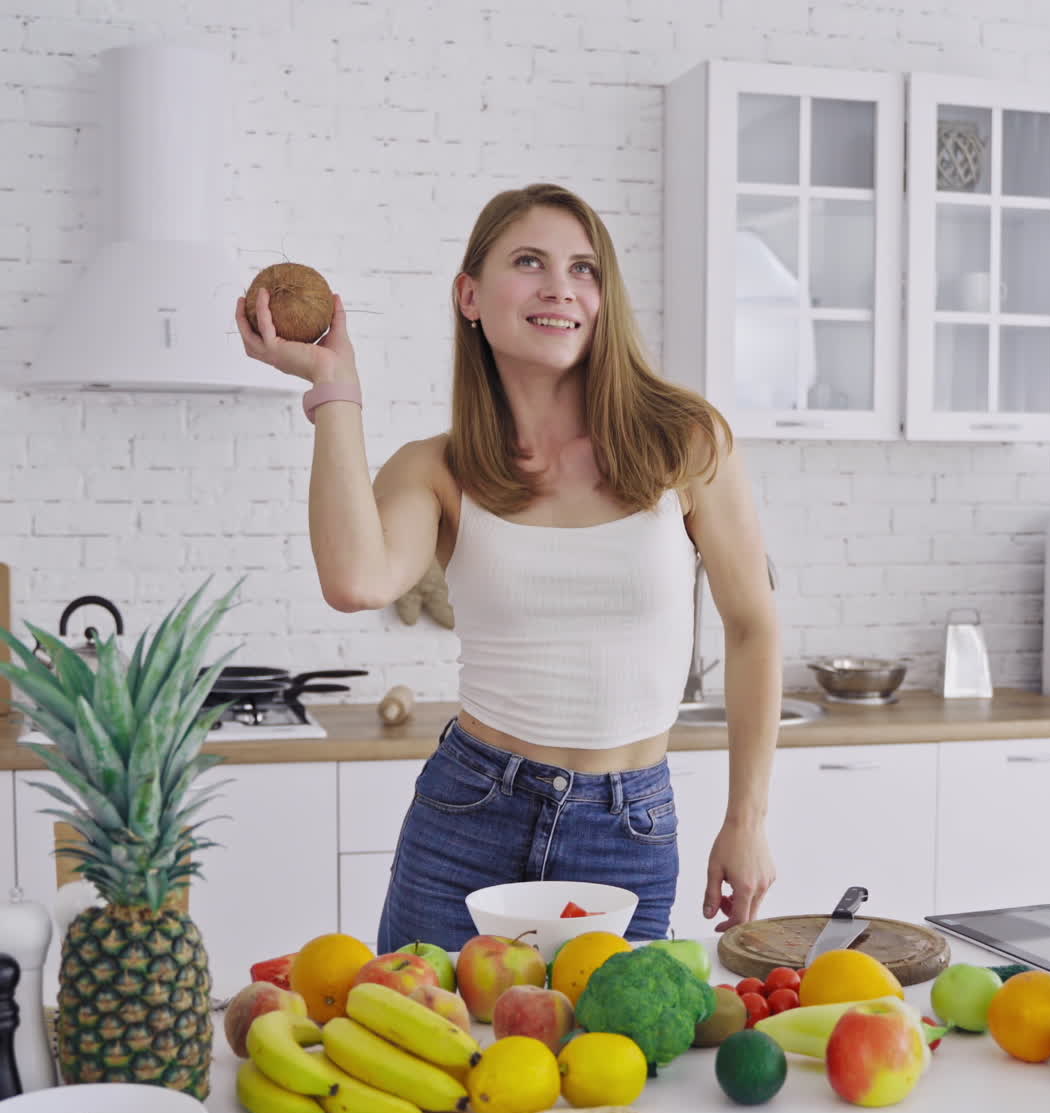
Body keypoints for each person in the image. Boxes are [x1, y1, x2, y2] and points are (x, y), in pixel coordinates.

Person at [236, 182, 782, 951]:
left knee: (614, 1069)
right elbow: (356, 580)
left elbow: (754, 627)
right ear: (470, 295)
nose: (560, 286)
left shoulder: (685, 444)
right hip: (469, 816)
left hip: (628, 828)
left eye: (584, 269)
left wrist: (746, 821)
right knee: (431, 1060)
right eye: (530, 262)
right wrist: (335, 388)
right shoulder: (437, 468)